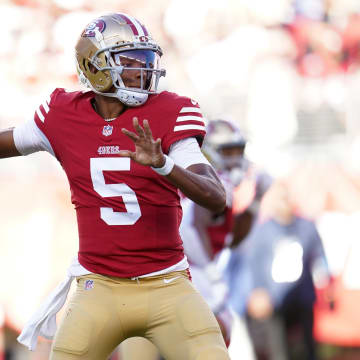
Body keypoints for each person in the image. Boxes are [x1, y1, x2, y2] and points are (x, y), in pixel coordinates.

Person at [0, 13, 230, 360]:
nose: (143, 71)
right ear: (94, 66)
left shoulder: (169, 112)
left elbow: (216, 197)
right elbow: (10, 142)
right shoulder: (62, 114)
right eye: (131, 62)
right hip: (98, 288)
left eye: (147, 61)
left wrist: (165, 165)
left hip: (167, 284)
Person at [244, 181, 333, 360]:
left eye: (286, 198)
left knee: (307, 348)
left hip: (303, 295)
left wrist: (327, 285)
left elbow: (319, 258)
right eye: (279, 199)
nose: (283, 203)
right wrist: (258, 291)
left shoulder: (306, 227)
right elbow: (255, 263)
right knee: (279, 351)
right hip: (275, 298)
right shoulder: (264, 230)